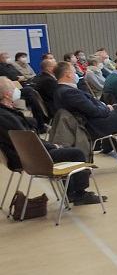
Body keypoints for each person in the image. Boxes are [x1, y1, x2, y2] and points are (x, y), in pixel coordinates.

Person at [0, 76, 102, 205]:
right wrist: (52, 146)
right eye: (14, 88)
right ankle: (80, 194)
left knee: (67, 150)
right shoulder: (7, 117)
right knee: (76, 152)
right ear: (7, 94)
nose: (17, 90)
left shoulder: (6, 113)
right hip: (29, 157)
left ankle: (71, 193)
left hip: (18, 155)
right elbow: (29, 141)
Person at [53, 61, 117, 166]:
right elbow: (94, 111)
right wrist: (108, 108)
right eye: (74, 72)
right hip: (96, 125)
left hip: (93, 122)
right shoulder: (69, 92)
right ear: (68, 74)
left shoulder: (60, 90)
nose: (77, 75)